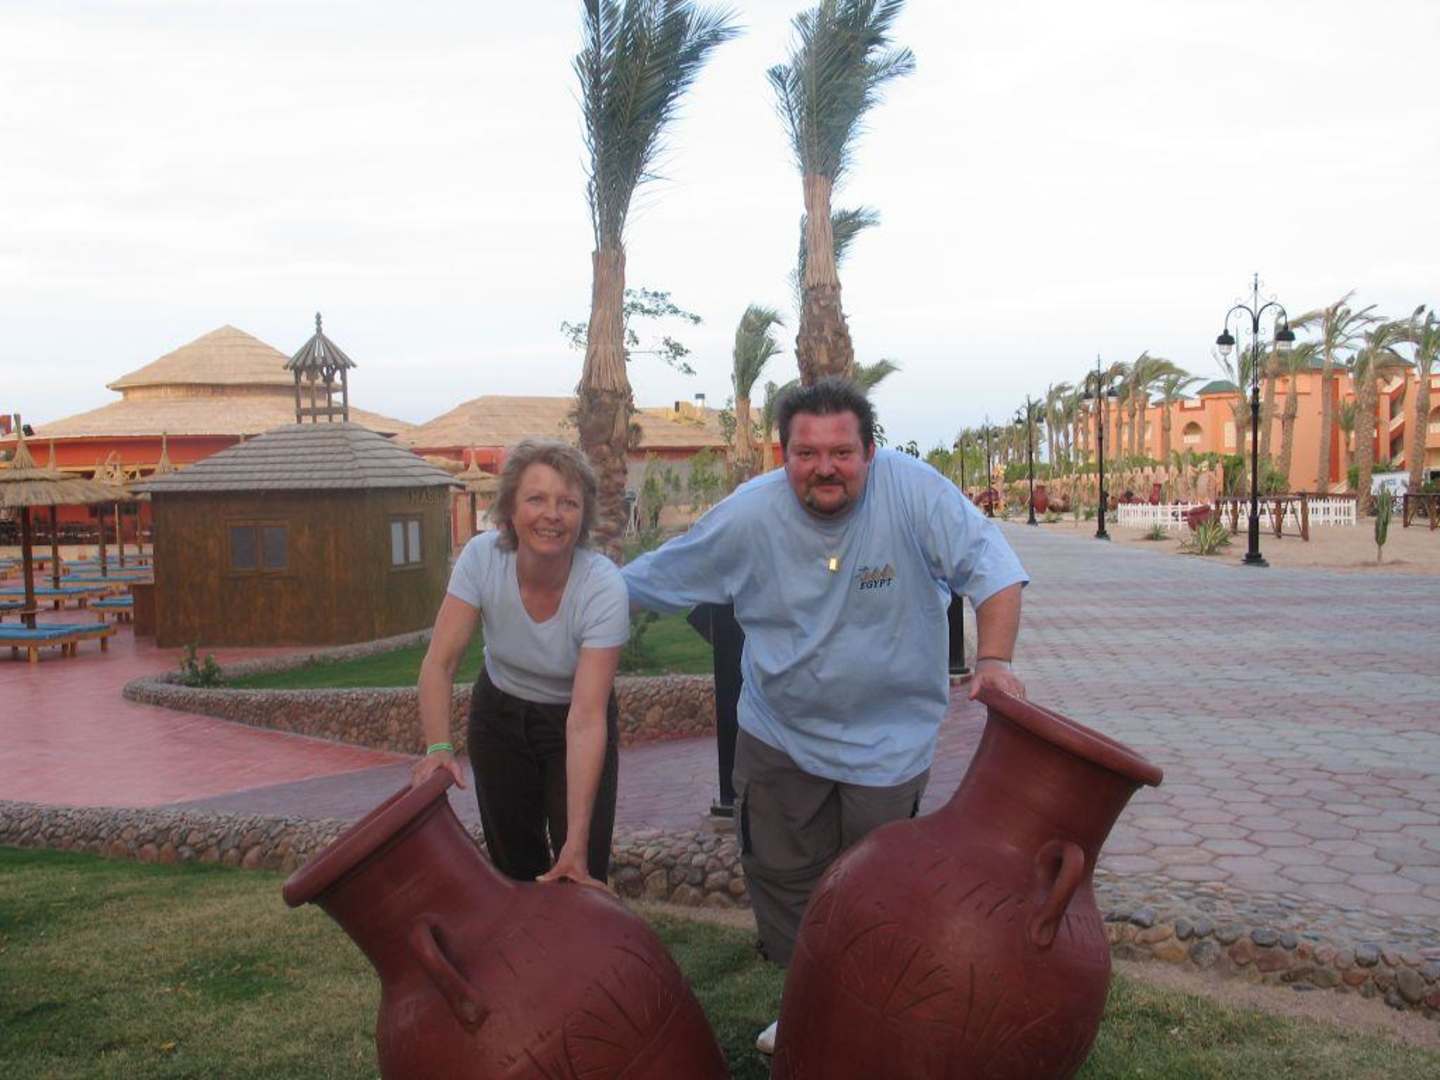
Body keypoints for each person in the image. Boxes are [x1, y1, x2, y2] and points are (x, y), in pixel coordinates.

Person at [621, 378, 1028, 1052]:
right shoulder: (751, 514)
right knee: (783, 881)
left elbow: (994, 567)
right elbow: (658, 577)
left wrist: (995, 660)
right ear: (783, 455)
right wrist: (566, 599)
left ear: (870, 451)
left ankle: (868, 1018)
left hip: (889, 746)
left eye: (841, 452)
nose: (825, 468)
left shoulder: (915, 493)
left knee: (878, 893)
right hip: (780, 735)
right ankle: (808, 1009)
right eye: (806, 454)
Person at [412, 439, 629, 889]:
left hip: (573, 719)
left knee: (579, 867)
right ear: (510, 508)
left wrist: (575, 844)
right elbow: (440, 662)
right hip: (499, 716)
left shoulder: (602, 587)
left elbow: (586, 718)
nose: (552, 514)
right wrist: (438, 748)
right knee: (513, 868)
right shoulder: (481, 558)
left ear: (583, 515)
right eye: (536, 499)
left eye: (568, 503)